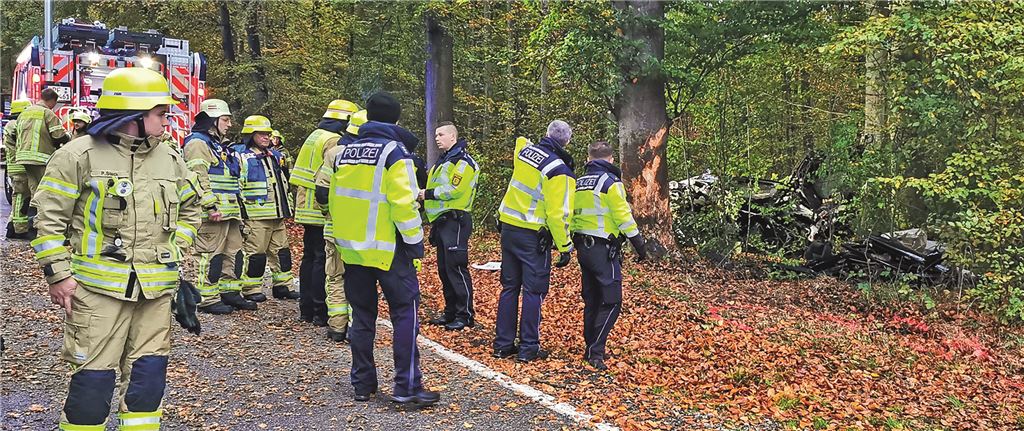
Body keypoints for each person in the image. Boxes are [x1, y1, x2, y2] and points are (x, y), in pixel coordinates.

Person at [29, 67, 202, 431]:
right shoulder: (78, 155)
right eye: (160, 114)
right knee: (94, 382)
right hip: (97, 292)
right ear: (134, 116)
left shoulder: (170, 158)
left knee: (148, 378)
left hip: (155, 291)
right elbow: (47, 221)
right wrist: (58, 275)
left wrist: (177, 247)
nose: (166, 121)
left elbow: (191, 208)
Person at [317, 92, 439, 407]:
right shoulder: (394, 153)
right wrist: (416, 243)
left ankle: (362, 384)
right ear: (396, 120)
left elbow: (334, 198)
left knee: (362, 317)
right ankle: (406, 387)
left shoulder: (344, 150)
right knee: (405, 314)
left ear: (367, 117)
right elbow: (404, 205)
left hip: (353, 251)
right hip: (388, 250)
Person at [493, 120, 576, 363]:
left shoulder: (524, 152)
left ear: (547, 134)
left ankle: (502, 344)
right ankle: (529, 347)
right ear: (567, 142)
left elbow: (520, 140)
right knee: (533, 291)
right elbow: (558, 213)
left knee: (509, 287)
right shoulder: (559, 171)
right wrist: (565, 246)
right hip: (533, 235)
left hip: (508, 228)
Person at [570, 141, 647, 371]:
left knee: (592, 299)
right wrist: (638, 243)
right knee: (613, 301)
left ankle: (590, 346)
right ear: (611, 160)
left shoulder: (579, 182)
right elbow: (623, 215)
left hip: (583, 248)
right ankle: (596, 351)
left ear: (589, 157)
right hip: (603, 249)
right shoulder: (610, 183)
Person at [183, 99, 256, 314]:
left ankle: (230, 291)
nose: (230, 124)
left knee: (234, 253)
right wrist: (209, 206)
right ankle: (206, 297)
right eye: (225, 119)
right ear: (212, 120)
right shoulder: (198, 144)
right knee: (208, 255)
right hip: (212, 212)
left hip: (229, 212)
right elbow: (198, 177)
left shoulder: (218, 145)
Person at [290, 99, 358, 326]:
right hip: (320, 207)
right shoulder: (333, 140)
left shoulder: (316, 135)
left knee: (309, 256)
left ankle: (306, 308)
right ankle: (320, 309)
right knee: (322, 259)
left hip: (305, 204)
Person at [420, 123, 479, 331]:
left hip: (456, 220)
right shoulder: (443, 160)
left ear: (453, 137)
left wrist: (426, 194)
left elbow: (454, 188)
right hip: (442, 221)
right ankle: (450, 311)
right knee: (444, 269)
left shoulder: (462, 162)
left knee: (456, 268)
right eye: (436, 134)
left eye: (441, 134)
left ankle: (465, 315)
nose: (437, 138)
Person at [314, 109, 367, 342]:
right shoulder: (375, 156)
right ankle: (358, 329)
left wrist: (329, 214)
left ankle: (337, 327)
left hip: (335, 229)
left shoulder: (335, 153)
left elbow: (322, 191)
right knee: (360, 279)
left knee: (335, 277)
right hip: (364, 231)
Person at [236, 115, 300, 302]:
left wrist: (288, 208)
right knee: (256, 254)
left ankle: (283, 286)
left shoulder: (275, 155)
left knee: (282, 252)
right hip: (256, 215)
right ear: (250, 134)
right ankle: (251, 288)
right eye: (262, 134)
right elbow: (238, 185)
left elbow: (284, 184)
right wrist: (241, 214)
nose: (266, 137)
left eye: (268, 134)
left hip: (277, 214)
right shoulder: (242, 156)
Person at [15, 88, 70, 239]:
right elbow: (58, 136)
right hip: (40, 158)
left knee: (34, 191)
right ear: (51, 100)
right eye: (55, 103)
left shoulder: (25, 112)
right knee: (45, 192)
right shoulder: (47, 113)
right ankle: (41, 229)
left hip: (23, 157)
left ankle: (32, 228)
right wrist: (69, 137)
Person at [4, 99, 31, 238]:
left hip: (16, 167)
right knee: (21, 197)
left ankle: (12, 226)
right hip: (19, 167)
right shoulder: (15, 124)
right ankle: (20, 229)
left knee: (18, 197)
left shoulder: (10, 124)